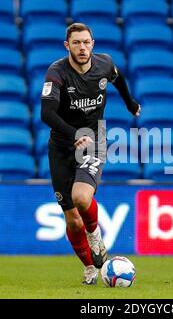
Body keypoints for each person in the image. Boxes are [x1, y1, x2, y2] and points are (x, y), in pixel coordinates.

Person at [41, 23, 141, 285]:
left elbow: (119, 81)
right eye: (76, 43)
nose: (82, 47)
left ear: (92, 43)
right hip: (62, 146)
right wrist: (74, 134)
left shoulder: (105, 64)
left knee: (81, 198)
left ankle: (95, 237)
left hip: (94, 139)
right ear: (67, 46)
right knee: (73, 220)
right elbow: (47, 113)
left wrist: (131, 103)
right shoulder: (57, 72)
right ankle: (90, 267)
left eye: (86, 42)